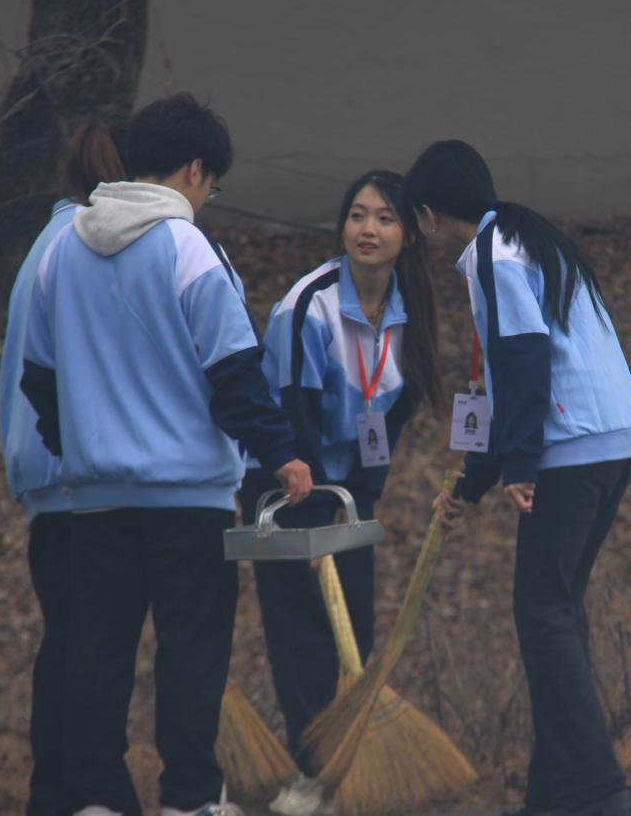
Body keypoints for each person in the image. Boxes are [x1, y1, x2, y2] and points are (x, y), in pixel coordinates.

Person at [20, 93, 313, 816]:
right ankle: (189, 798)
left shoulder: (63, 250)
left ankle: (97, 798)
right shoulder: (187, 248)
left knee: (98, 652)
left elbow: (38, 377)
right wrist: (281, 453)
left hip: (94, 499)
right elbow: (234, 370)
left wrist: (73, 446)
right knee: (191, 652)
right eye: (213, 184)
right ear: (194, 170)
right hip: (189, 497)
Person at [405, 140, 631, 816]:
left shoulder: (494, 253)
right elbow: (510, 375)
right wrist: (471, 483)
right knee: (558, 612)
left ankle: (603, 794)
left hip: (568, 445)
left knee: (541, 614)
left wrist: (520, 461)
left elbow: (524, 356)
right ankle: (554, 796)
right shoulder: (526, 239)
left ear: (428, 213)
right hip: (613, 440)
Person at [238, 170, 442, 816]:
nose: (367, 229)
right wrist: (316, 502)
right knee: (302, 631)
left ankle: (341, 766)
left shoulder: (408, 308)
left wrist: (361, 487)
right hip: (283, 480)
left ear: (409, 234)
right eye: (357, 215)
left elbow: (399, 404)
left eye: (384, 217)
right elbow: (292, 414)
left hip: (347, 483)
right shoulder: (311, 304)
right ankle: (309, 778)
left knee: (353, 628)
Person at [0, 118, 126, 816]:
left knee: (67, 641)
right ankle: (72, 793)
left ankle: (57, 791)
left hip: (44, 473)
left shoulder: (45, 245)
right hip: (74, 476)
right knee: (84, 647)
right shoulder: (84, 248)